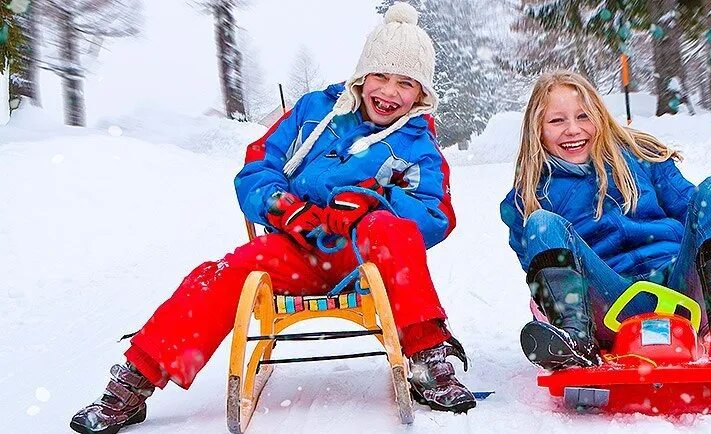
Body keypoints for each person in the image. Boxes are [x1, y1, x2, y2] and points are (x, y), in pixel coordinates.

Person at [71, 4, 476, 433]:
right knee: (223, 274)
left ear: (421, 94)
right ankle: (138, 380)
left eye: (406, 83)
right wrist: (287, 209)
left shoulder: (417, 143)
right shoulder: (312, 112)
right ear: (362, 75)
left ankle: (427, 357)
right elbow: (255, 172)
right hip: (296, 248)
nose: (390, 91)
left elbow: (435, 215)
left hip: (364, 259)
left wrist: (374, 199)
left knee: (392, 229)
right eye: (381, 76)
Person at [500, 71, 711, 371]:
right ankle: (574, 343)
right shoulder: (527, 199)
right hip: (608, 305)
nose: (573, 130)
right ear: (538, 129)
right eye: (557, 121)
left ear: (599, 118)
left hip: (683, 292)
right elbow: (543, 272)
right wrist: (549, 311)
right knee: (543, 224)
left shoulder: (641, 158)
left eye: (583, 116)